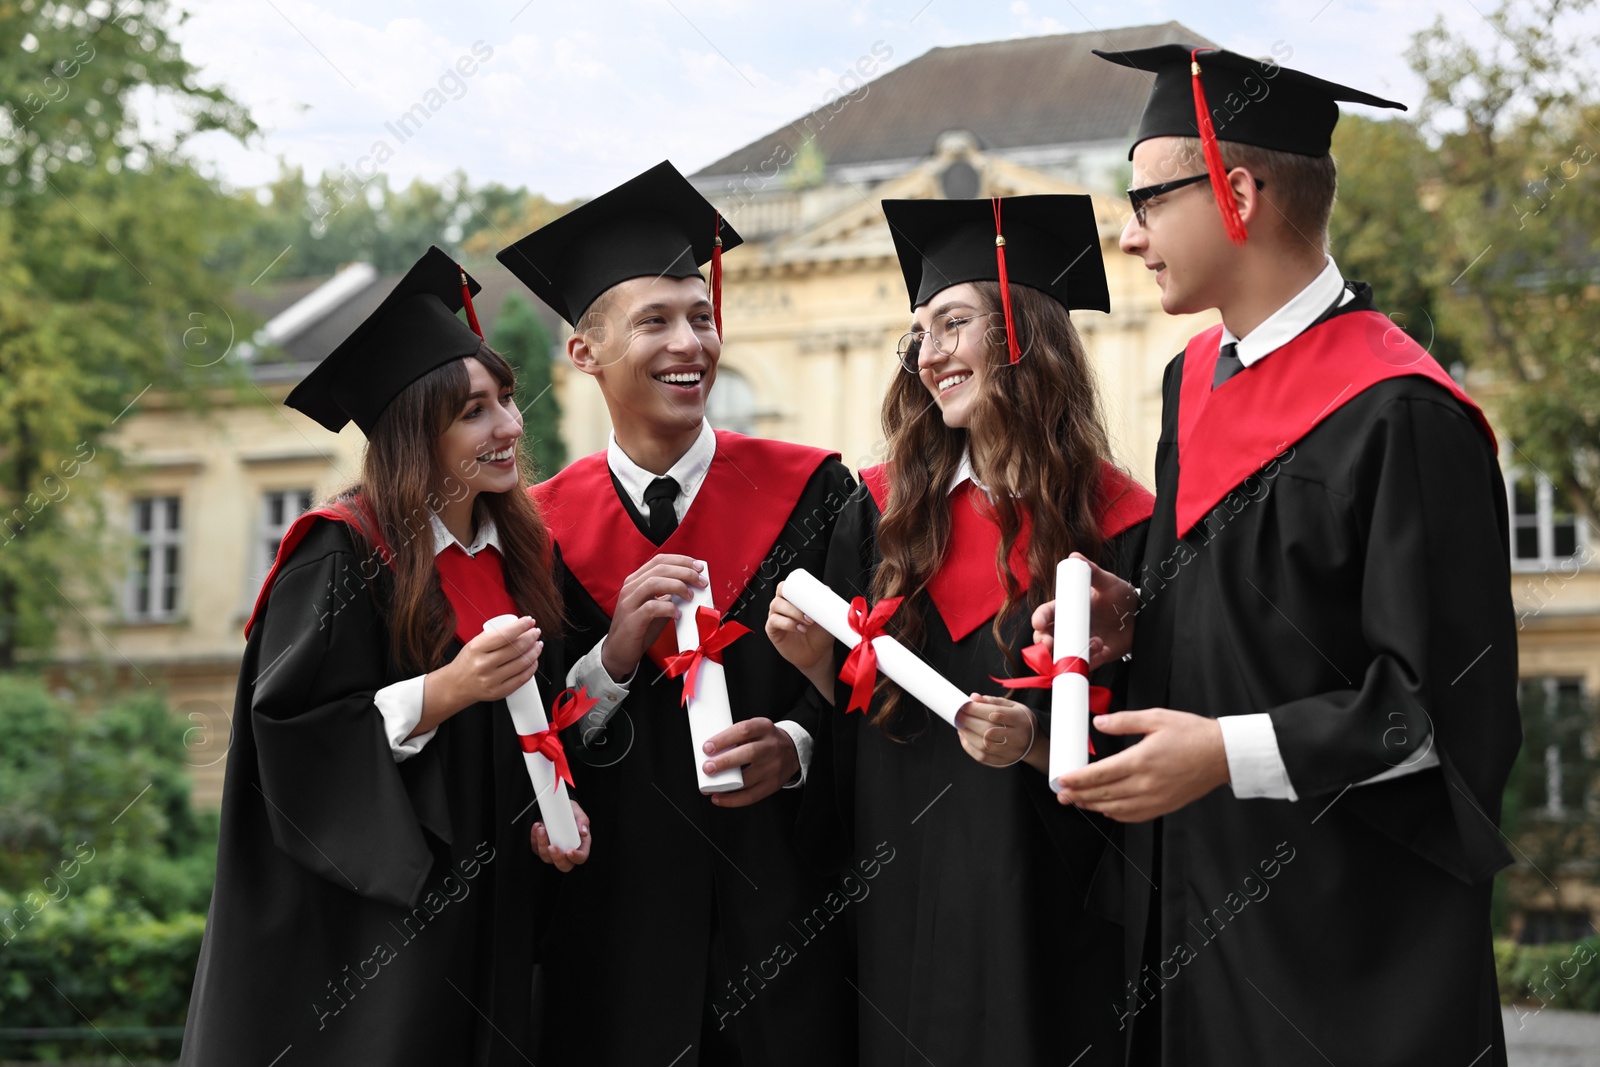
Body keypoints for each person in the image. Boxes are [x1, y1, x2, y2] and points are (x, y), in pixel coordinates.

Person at [1028, 46, 1522, 1066]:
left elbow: (1433, 710)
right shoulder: (1189, 383)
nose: (1128, 234)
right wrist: (1138, 613)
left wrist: (1221, 753)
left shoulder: (1401, 413)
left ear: (1237, 191)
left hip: (1347, 948)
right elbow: (1237, 620)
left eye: (1148, 201)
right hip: (1192, 916)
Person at [767, 194, 1154, 1066]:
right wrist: (816, 669)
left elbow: (1149, 724)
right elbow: (861, 736)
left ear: (1025, 334)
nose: (929, 354)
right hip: (897, 889)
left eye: (952, 323)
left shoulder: (1121, 525)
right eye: (920, 335)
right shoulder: (876, 516)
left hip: (1047, 908)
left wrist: (1037, 741)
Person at [180, 247, 589, 1066]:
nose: (511, 426)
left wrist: (556, 808)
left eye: (506, 398)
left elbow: (539, 726)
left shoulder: (519, 560)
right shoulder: (341, 556)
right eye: (475, 411)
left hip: (492, 921)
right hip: (374, 940)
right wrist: (444, 690)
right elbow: (290, 741)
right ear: (415, 431)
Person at [496, 161, 856, 1067]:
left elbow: (866, 679)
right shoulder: (535, 534)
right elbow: (516, 747)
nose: (688, 342)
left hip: (785, 924)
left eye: (701, 316)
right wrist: (615, 653)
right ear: (584, 353)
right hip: (608, 942)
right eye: (653, 321)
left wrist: (802, 743)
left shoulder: (815, 495)